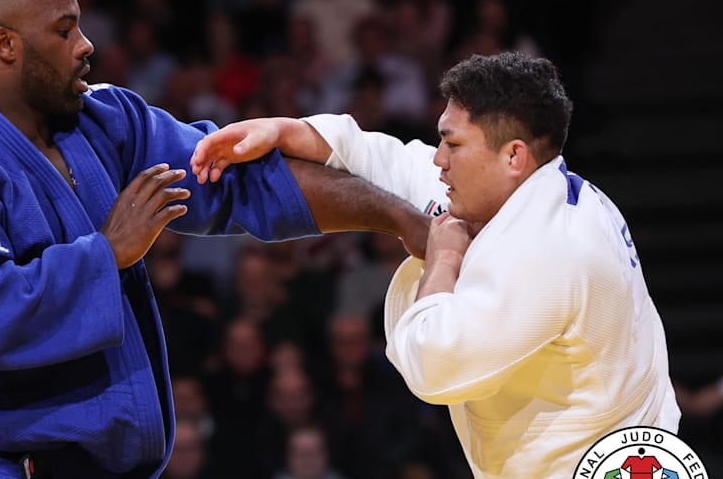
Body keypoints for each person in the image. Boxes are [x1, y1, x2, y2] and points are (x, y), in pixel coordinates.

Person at [0, 0, 430, 479]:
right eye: (63, 30)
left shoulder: (102, 121)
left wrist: (396, 214)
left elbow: (237, 179)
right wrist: (106, 254)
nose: (85, 45)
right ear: (5, 44)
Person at [191, 51, 680, 477]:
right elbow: (387, 159)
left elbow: (431, 366)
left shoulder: (551, 250)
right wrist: (283, 129)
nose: (439, 160)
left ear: (513, 156)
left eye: (453, 144)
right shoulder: (522, 189)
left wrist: (443, 258)